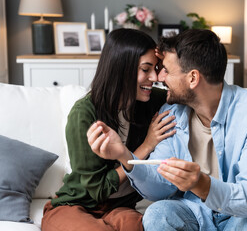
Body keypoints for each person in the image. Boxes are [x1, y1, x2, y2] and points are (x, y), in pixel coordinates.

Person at [88, 29, 247, 231]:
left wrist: (203, 185)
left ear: (193, 78)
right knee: (158, 214)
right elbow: (159, 188)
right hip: (192, 210)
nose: (159, 78)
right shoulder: (171, 113)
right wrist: (125, 156)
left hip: (240, 214)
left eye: (166, 70)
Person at [41, 28, 176, 231]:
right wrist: (147, 145)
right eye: (146, 69)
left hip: (120, 208)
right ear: (121, 68)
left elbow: (188, 91)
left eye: (157, 68)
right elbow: (97, 189)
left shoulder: (151, 101)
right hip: (76, 204)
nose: (155, 76)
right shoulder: (84, 112)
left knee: (137, 226)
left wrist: (169, 61)